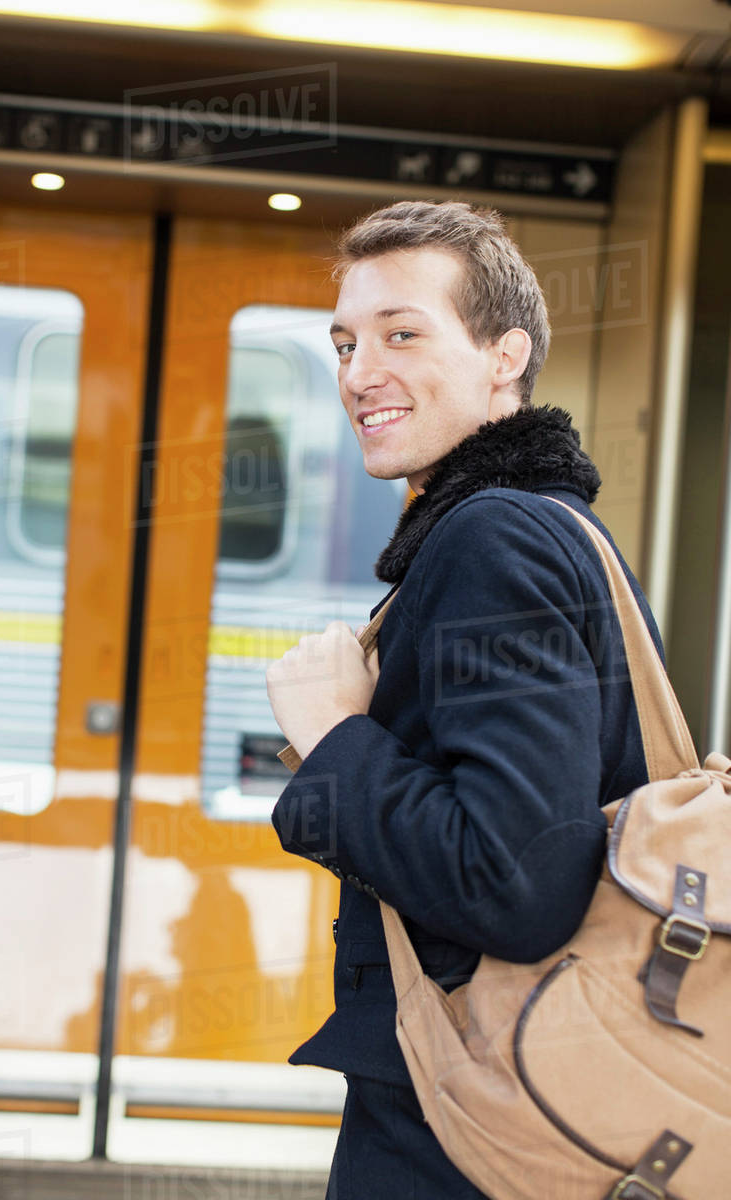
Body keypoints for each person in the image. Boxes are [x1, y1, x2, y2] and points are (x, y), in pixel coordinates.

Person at [265, 200, 662, 1198]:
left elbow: (514, 885)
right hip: (524, 1099)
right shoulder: (547, 528)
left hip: (468, 1127)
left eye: (403, 333)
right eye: (345, 342)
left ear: (503, 355)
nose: (358, 373)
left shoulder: (492, 540)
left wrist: (335, 741)